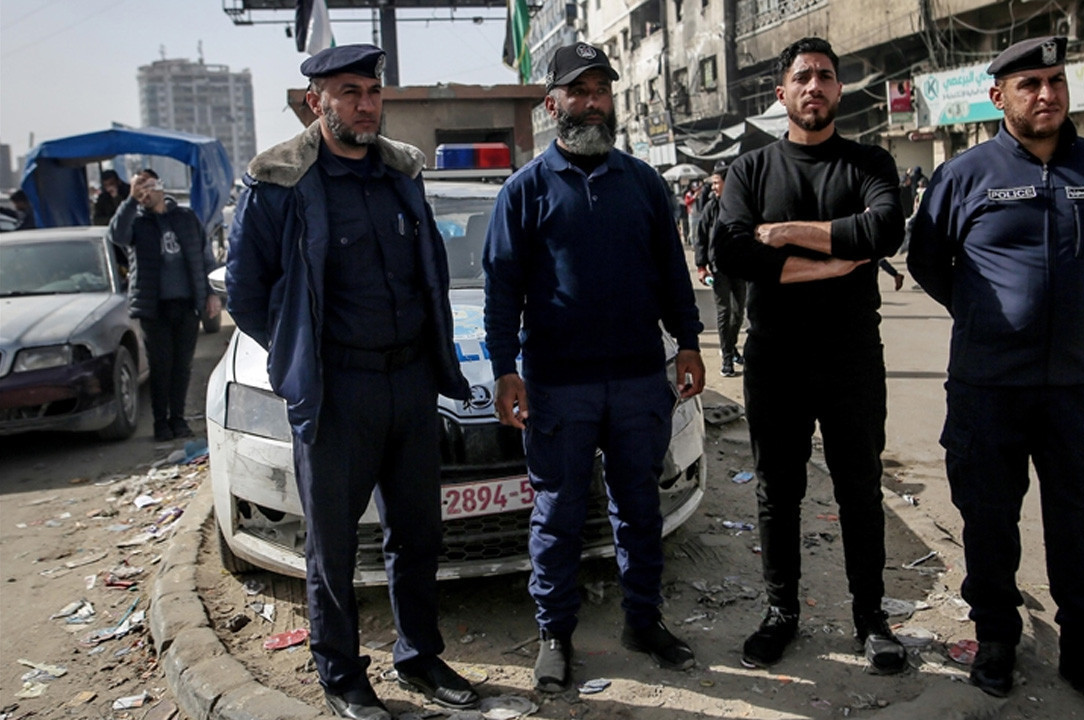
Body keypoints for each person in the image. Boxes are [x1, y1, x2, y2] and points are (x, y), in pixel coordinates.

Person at [225, 45, 479, 720]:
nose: (365, 103)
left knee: (418, 535)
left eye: (371, 91)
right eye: (348, 92)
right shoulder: (277, 181)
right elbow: (247, 294)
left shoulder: (400, 173)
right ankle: (341, 676)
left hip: (411, 385)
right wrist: (298, 357)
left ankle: (421, 658)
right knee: (333, 546)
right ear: (317, 101)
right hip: (338, 394)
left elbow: (426, 276)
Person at [908, 36, 1084, 720]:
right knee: (987, 520)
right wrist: (985, 315)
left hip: (1083, 385)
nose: (1047, 95)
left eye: (1055, 81)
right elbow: (929, 262)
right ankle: (997, 639)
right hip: (988, 387)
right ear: (999, 97)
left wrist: (1076, 311)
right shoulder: (964, 174)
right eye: (1030, 84)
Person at [483, 42, 706, 694]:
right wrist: (505, 369)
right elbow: (502, 290)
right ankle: (556, 636)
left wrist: (689, 343)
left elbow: (672, 274)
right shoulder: (524, 192)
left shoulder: (641, 183)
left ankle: (644, 620)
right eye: (576, 92)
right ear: (552, 104)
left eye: (599, 90)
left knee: (640, 507)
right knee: (556, 515)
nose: (590, 103)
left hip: (639, 380)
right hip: (558, 386)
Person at [712, 36, 907, 674]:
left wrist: (790, 234)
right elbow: (735, 252)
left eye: (825, 75)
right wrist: (837, 263)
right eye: (803, 77)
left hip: (852, 356)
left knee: (860, 488)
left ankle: (870, 616)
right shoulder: (750, 170)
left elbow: (884, 231)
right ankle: (781, 612)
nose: (814, 86)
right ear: (783, 93)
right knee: (778, 491)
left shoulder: (869, 162)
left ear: (838, 89)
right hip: (776, 358)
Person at [107, 169, 220, 441]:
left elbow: (204, 257)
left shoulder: (185, 218)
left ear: (160, 185)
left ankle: (178, 419)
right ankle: (161, 423)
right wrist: (130, 200)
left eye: (147, 186)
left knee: (182, 366)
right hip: (154, 308)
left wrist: (211, 293)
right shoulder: (136, 223)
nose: (144, 193)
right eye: (138, 188)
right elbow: (116, 236)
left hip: (186, 304)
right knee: (161, 365)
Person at [693, 163, 747, 377]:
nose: (714, 187)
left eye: (717, 182)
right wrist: (701, 266)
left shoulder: (742, 204)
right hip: (718, 269)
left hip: (740, 268)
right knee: (725, 313)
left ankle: (731, 347)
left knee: (738, 313)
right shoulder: (710, 207)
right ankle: (727, 359)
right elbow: (701, 238)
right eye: (713, 183)